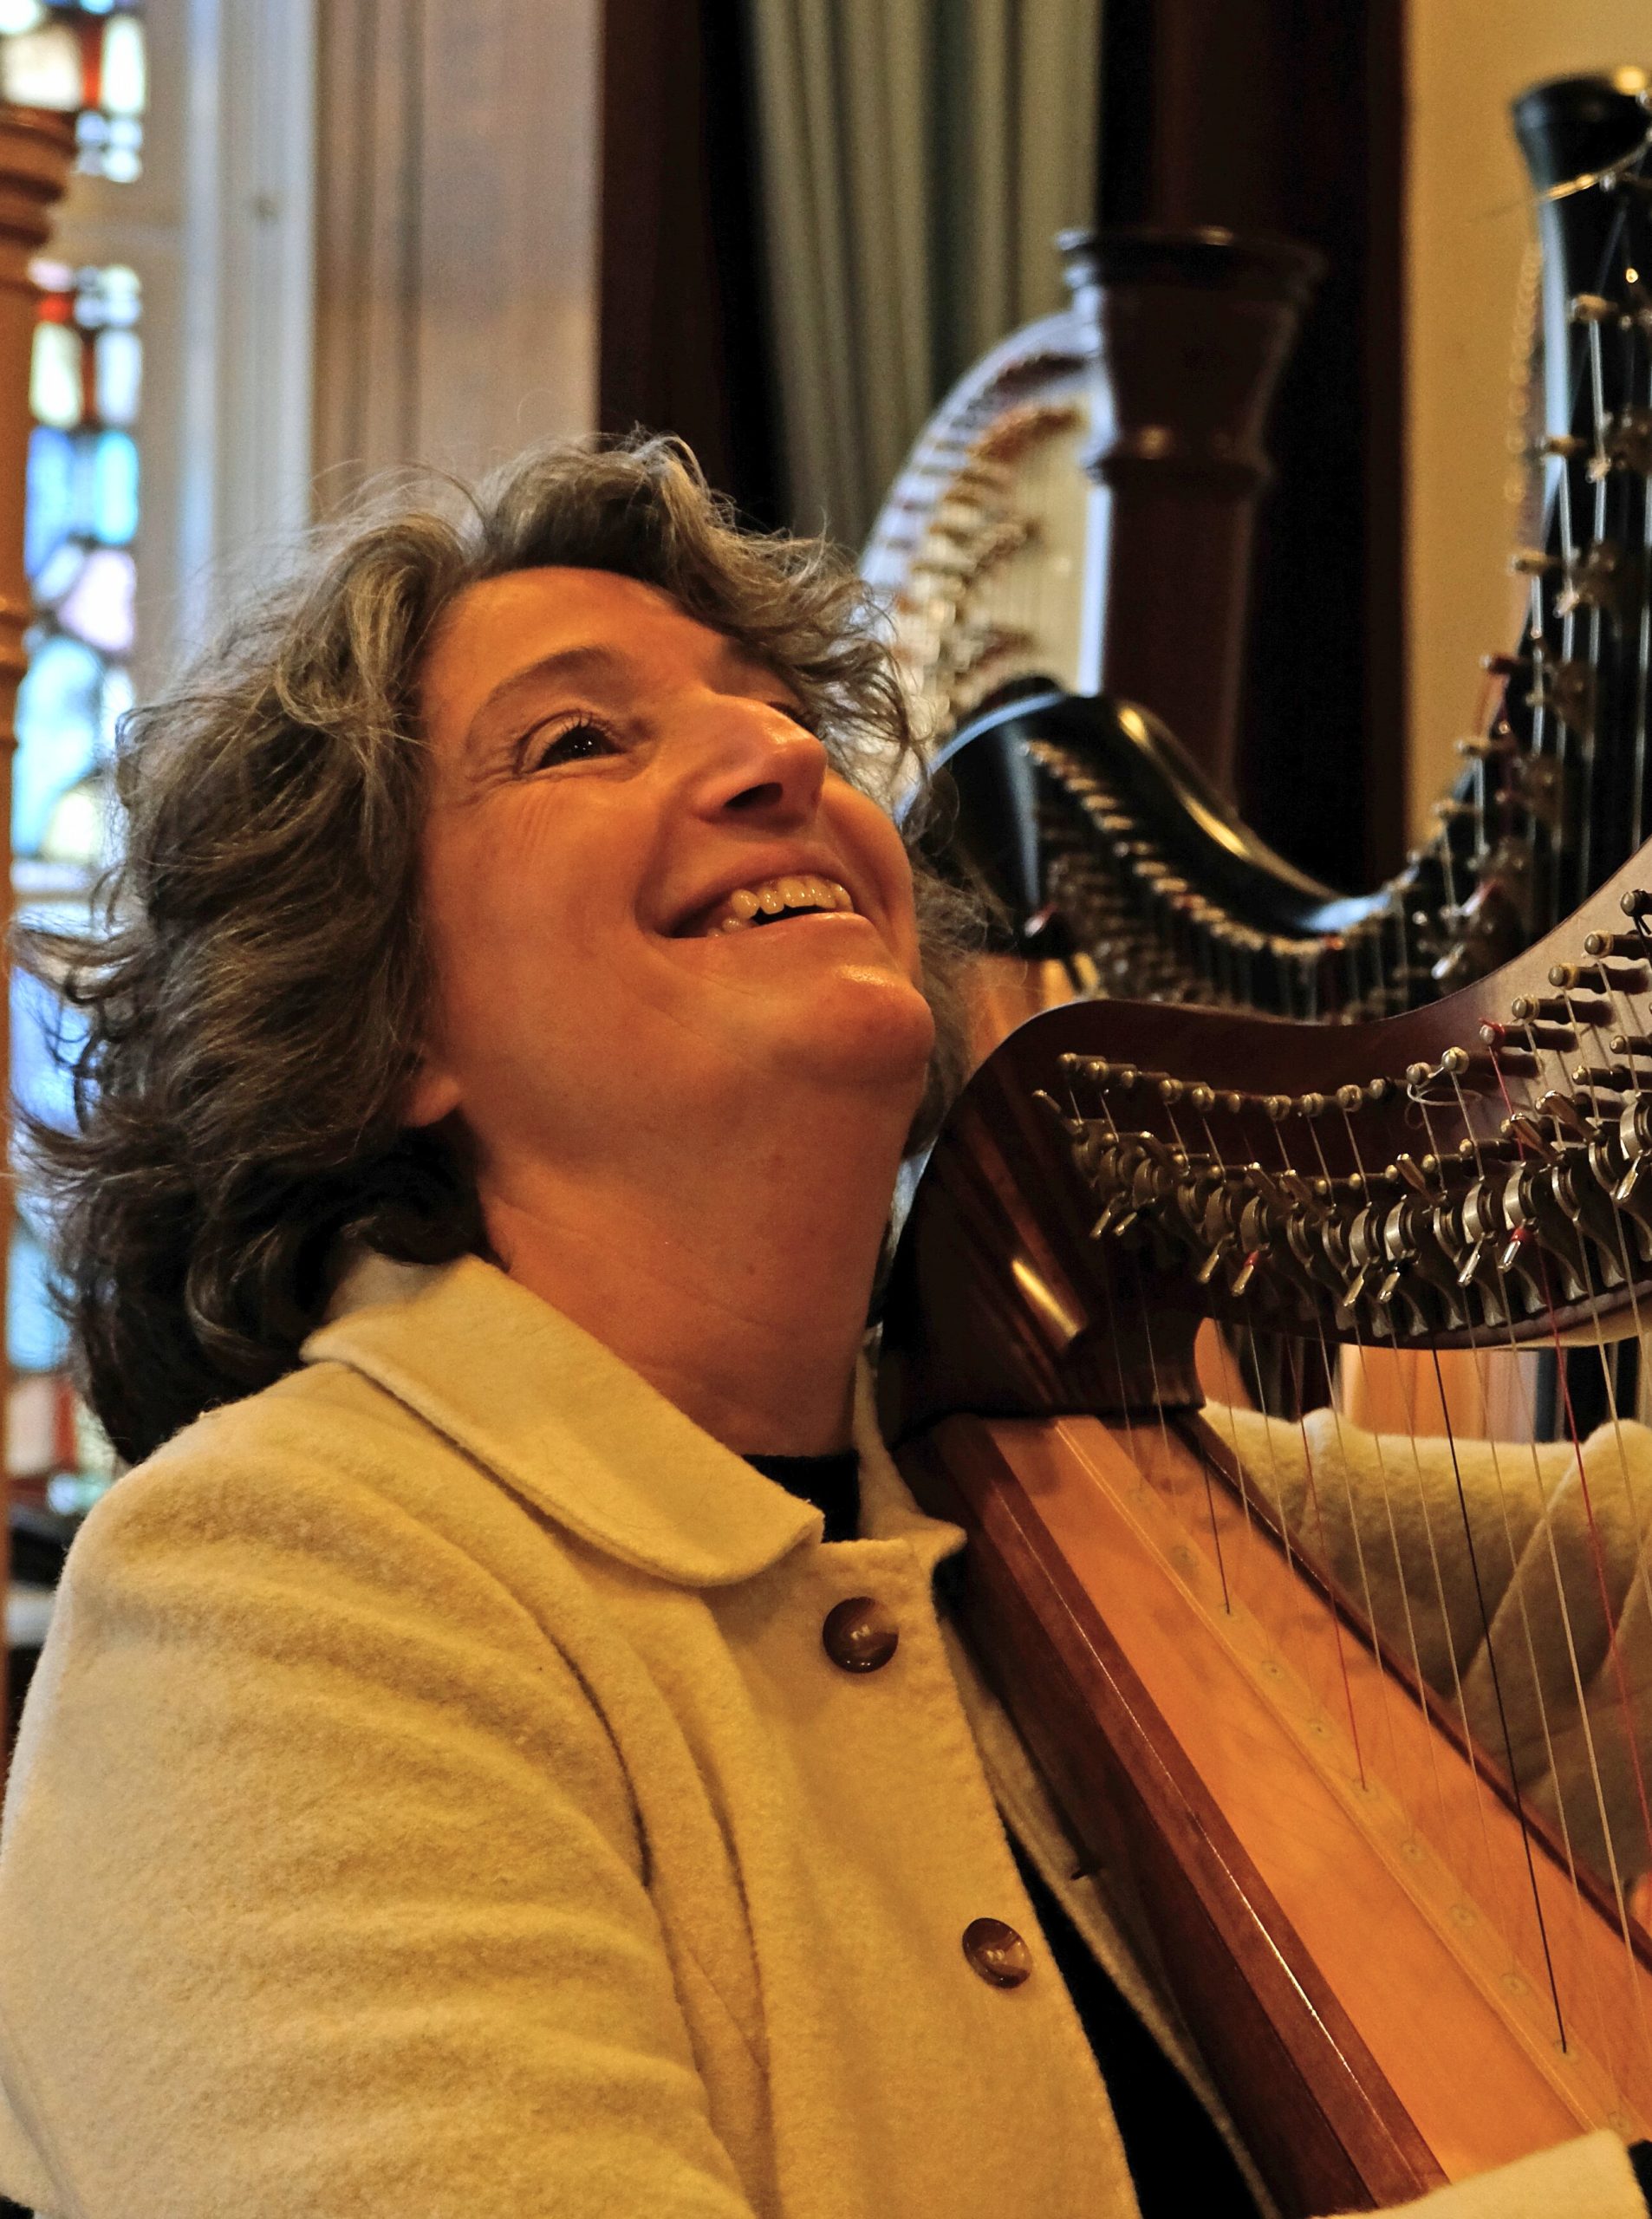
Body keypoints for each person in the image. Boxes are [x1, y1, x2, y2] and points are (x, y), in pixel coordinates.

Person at [0, 438, 1642, 2219]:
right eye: (578, 738)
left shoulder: (991, 1492)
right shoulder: (275, 1595)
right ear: (378, 1018)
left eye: (781, 712)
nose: (779, 755)